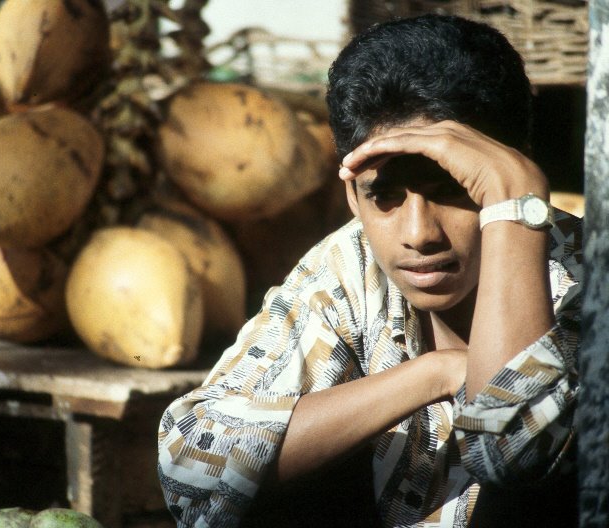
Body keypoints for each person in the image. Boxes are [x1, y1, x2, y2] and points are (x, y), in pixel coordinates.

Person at [157, 13, 582, 527]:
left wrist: (513, 207)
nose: (419, 232)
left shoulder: (584, 277)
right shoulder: (349, 266)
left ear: (511, 169)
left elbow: (511, 451)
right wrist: (436, 373)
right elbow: (190, 469)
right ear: (353, 199)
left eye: (453, 189)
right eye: (383, 195)